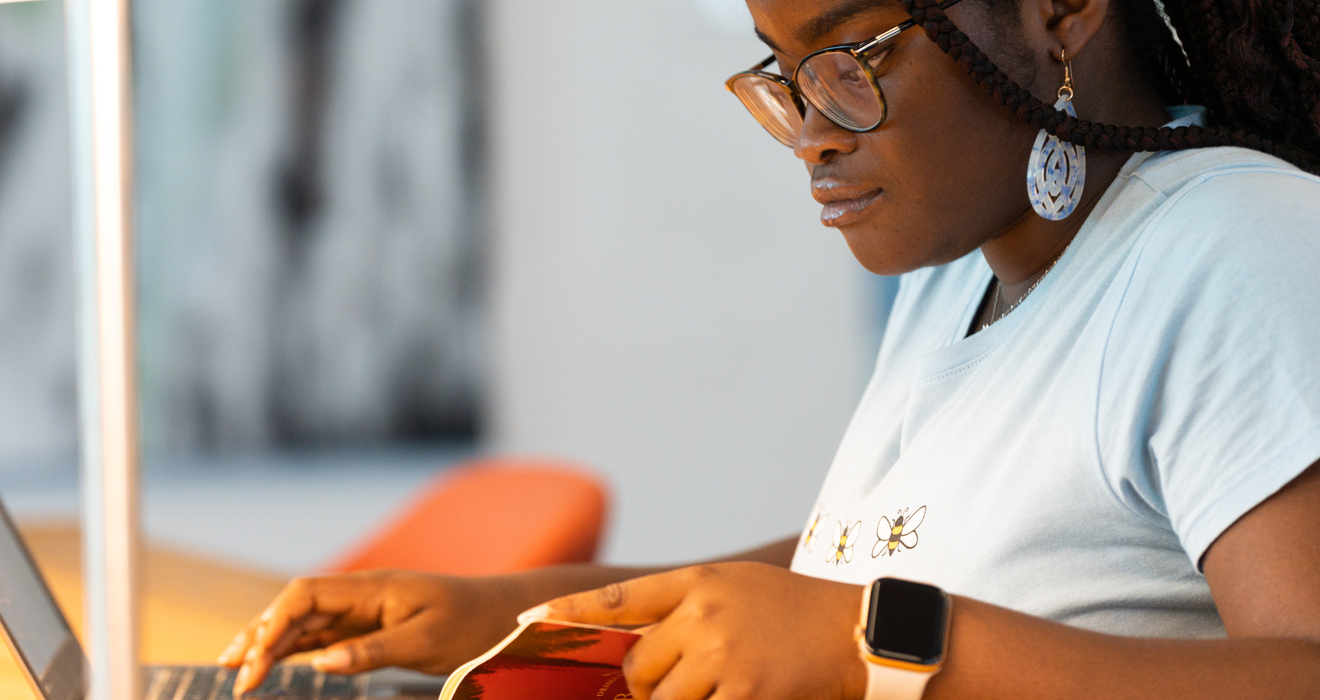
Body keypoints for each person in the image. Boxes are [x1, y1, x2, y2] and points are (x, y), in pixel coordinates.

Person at [216, 0, 1320, 697]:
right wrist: (506, 614)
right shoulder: (960, 272)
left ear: (1060, 10)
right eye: (781, 71)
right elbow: (859, 561)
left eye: (853, 55)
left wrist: (876, 645)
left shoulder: (1234, 249)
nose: (812, 130)